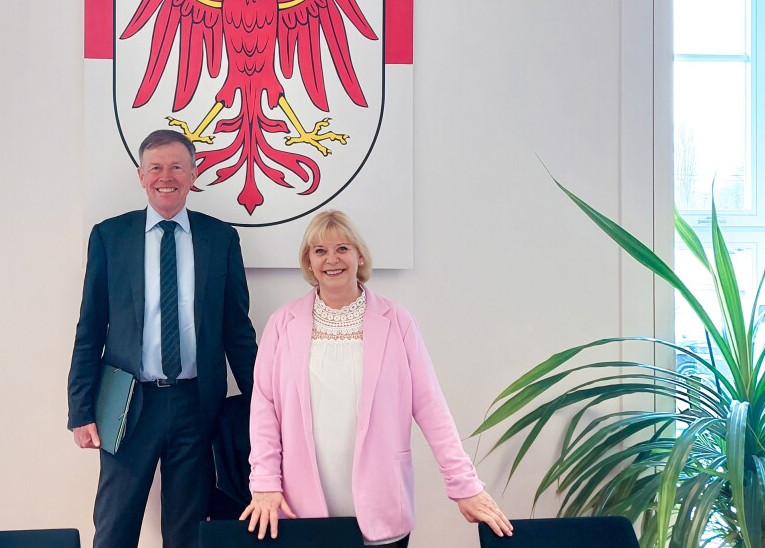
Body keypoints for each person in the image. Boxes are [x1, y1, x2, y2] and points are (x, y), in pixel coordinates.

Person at [241, 210, 513, 546]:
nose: (332, 260)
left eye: (342, 248)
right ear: (308, 263)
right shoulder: (282, 324)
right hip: (301, 506)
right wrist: (265, 482)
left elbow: (431, 407)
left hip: (382, 500)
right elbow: (264, 410)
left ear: (360, 256)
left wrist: (464, 485)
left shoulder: (398, 322)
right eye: (320, 251)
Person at [67, 129, 258, 548]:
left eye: (176, 167)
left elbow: (237, 332)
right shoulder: (110, 237)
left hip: (195, 405)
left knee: (188, 532)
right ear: (141, 175)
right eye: (155, 167)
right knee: (115, 527)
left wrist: (264, 407)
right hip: (127, 404)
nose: (165, 176)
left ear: (193, 173)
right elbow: (90, 327)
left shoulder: (220, 239)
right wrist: (80, 409)